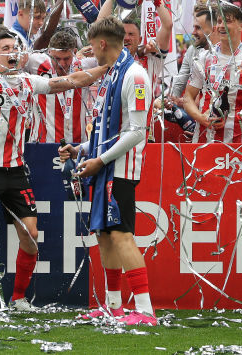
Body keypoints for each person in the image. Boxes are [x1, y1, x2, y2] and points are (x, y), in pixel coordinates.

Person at [0, 27, 106, 310]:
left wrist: (108, 65)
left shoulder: (29, 82)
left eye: (15, 48)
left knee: (31, 234)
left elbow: (70, 81)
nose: (11, 53)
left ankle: (18, 298)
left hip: (16, 169)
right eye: (5, 49)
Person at [59, 17, 157, 325]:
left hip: (120, 170)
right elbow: (103, 130)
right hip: (103, 169)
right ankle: (113, 306)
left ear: (102, 44)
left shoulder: (135, 75)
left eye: (92, 45)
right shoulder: (113, 74)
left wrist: (100, 161)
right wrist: (82, 149)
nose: (91, 52)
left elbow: (138, 131)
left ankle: (145, 310)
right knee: (103, 235)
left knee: (121, 235)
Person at [182, 4, 242, 142]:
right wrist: (200, 117)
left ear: (241, 26)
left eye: (227, 21)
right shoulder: (204, 58)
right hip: (205, 139)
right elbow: (188, 97)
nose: (221, 26)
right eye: (220, 21)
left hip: (240, 141)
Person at [33, 29, 96, 143]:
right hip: (45, 144)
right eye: (57, 59)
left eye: (67, 58)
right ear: (49, 52)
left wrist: (98, 51)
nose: (62, 64)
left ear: (74, 52)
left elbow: (114, 57)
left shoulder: (85, 66)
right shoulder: (37, 63)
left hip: (78, 144)